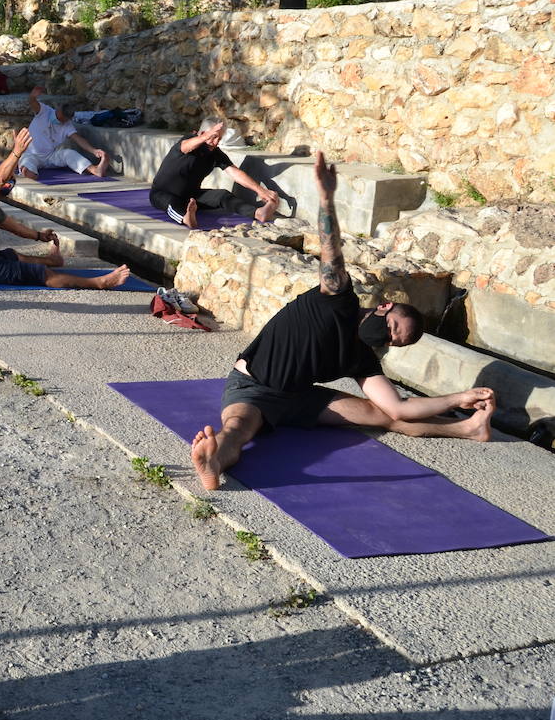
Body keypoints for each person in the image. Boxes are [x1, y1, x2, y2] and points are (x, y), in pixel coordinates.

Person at [190, 151, 495, 491]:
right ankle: (213, 462)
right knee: (238, 428)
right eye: (393, 328)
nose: (388, 338)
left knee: (386, 415)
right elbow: (331, 251)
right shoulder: (337, 302)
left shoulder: (362, 357)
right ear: (384, 307)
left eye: (394, 342)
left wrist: (457, 399)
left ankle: (468, 428)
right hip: (253, 387)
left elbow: (398, 408)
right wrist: (326, 198)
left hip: (300, 398)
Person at [0, 128, 133, 289]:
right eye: (7, 180)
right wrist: (16, 152)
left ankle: (52, 260)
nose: (8, 184)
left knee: (12, 255)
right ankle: (99, 283)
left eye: (11, 182)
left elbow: (15, 228)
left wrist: (39, 236)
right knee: (42, 275)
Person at [150, 118, 279, 228]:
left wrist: (260, 191)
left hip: (192, 197)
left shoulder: (215, 153)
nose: (216, 142)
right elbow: (186, 147)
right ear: (203, 133)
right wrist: (205, 136)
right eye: (214, 137)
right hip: (162, 193)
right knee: (171, 202)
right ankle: (186, 218)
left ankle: (258, 213)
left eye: (219, 138)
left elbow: (235, 173)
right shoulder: (189, 140)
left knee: (222, 195)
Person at [17, 86, 110, 181]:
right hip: (31, 154)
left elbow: (79, 139)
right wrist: (32, 96)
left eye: (61, 120)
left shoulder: (67, 125)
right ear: (58, 110)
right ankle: (31, 172)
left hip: (50, 157)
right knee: (27, 168)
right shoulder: (44, 111)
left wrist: (94, 151)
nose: (58, 120)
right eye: (58, 117)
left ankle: (95, 170)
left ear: (67, 119)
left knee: (69, 153)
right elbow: (33, 102)